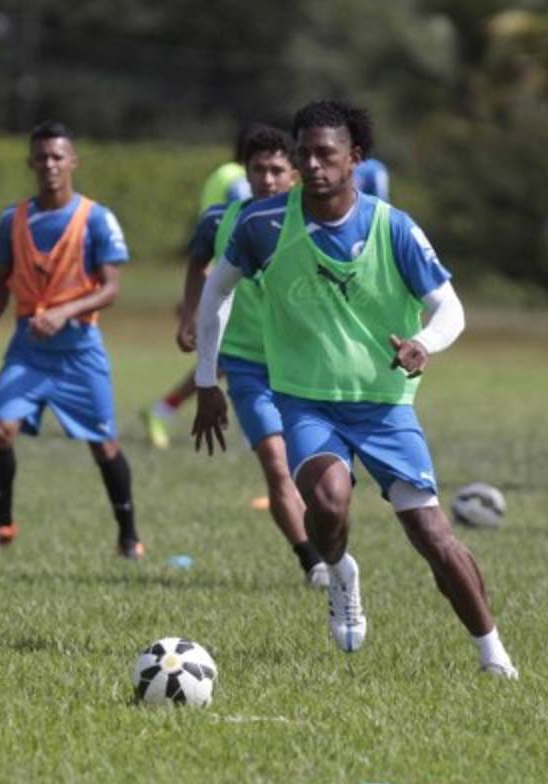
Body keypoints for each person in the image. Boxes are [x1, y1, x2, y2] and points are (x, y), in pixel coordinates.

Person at [192, 100, 517, 677]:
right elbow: (217, 292)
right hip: (306, 400)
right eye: (304, 153)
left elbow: (450, 309)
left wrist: (426, 345)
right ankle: (339, 571)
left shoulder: (394, 227)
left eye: (326, 154)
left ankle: (494, 655)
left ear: (355, 160)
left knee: (433, 535)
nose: (313, 164)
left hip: (385, 405)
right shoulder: (261, 224)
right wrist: (205, 381)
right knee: (328, 501)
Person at [0, 121, 143, 559]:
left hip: (80, 351)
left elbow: (111, 288)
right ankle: (2, 523)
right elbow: (2, 280)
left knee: (104, 445)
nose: (49, 165)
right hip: (28, 351)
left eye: (57, 157)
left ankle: (128, 535)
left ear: (73, 162)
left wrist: (64, 312)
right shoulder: (13, 220)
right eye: (41, 157)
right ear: (31, 162)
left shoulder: (96, 219)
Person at [175, 124, 327, 589]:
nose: (267, 178)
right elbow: (198, 265)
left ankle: (330, 544)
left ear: (295, 174)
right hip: (245, 362)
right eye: (258, 169)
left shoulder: (315, 222)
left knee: (317, 470)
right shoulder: (220, 219)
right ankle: (312, 561)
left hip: (304, 362)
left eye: (277, 169)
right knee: (276, 463)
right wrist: (189, 316)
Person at [141, 125, 254, 449]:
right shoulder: (237, 180)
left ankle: (165, 409)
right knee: (233, 356)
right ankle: (165, 409)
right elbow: (237, 228)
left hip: (216, 277)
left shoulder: (220, 174)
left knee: (227, 358)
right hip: (228, 281)